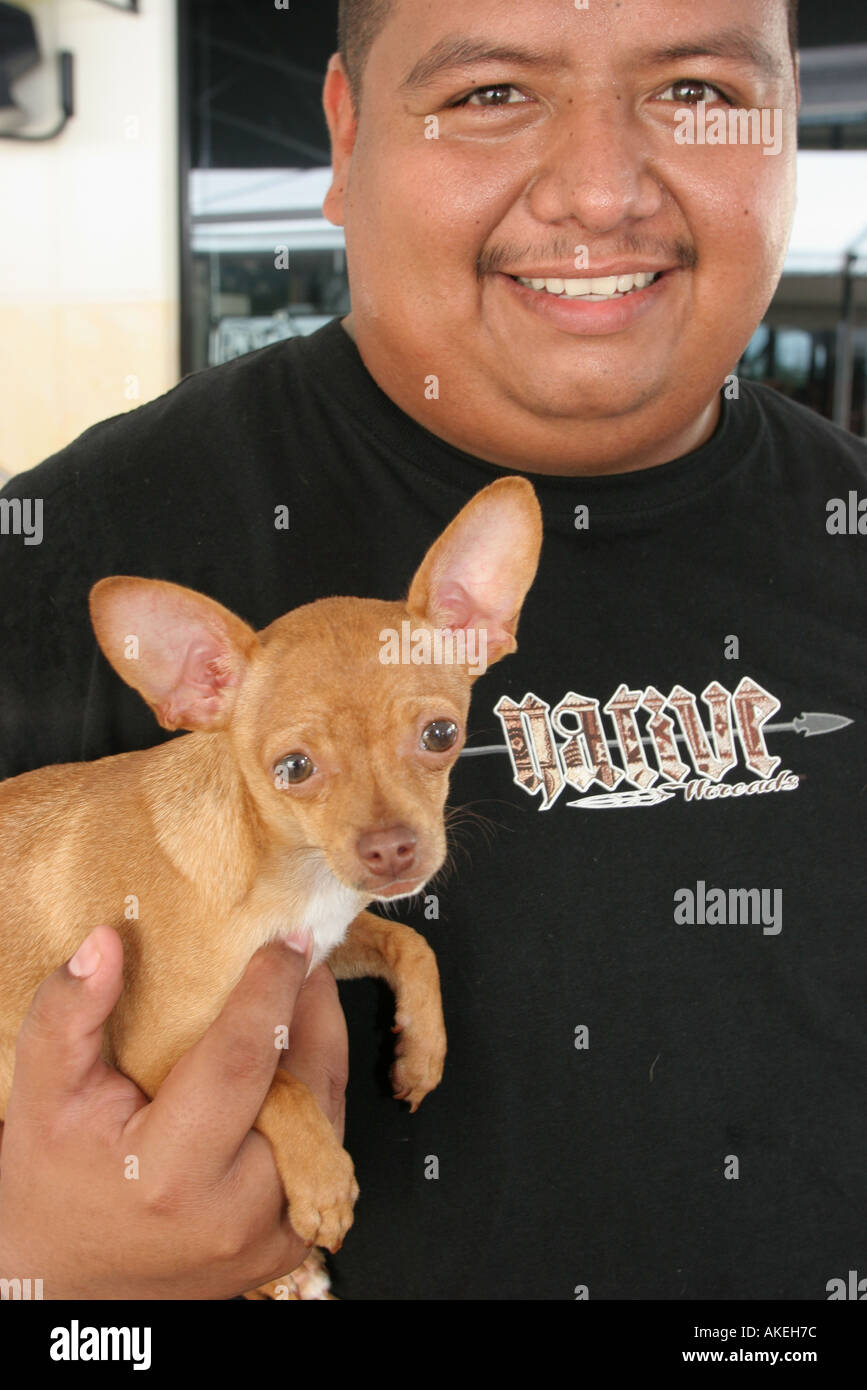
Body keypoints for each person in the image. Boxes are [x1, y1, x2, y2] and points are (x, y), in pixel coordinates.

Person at [0, 0, 864, 1300]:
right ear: (347, 139)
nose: (597, 190)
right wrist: (32, 1263)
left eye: (692, 88)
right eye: (490, 93)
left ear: (790, 117)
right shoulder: (60, 553)